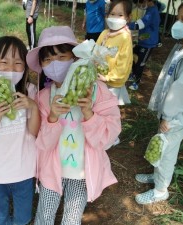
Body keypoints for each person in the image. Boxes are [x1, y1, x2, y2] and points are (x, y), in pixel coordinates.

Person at [26, 26, 121, 225]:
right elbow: (42, 142)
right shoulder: (43, 97)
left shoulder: (97, 91)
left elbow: (109, 135)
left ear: (75, 59)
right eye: (48, 59)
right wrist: (52, 116)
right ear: (42, 65)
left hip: (81, 172)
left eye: (62, 57)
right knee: (44, 215)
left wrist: (89, 114)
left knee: (72, 218)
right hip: (52, 169)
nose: (55, 64)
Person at [135, 0, 183, 205]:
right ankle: (159, 175)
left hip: (177, 115)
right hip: (171, 113)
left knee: (167, 151)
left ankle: (161, 190)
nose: (177, 23)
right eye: (178, 18)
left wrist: (169, 117)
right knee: (163, 146)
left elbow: (181, 92)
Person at [0, 36, 40, 225]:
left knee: (23, 218)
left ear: (25, 67)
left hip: (24, 170)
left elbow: (34, 132)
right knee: (1, 216)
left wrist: (33, 107)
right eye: (3, 63)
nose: (11, 69)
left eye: (18, 63)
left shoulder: (30, 91)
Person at [96, 0, 133, 105]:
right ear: (107, 15)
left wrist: (108, 78)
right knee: (97, 104)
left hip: (112, 84)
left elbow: (124, 64)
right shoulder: (104, 33)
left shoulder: (125, 37)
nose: (115, 18)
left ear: (128, 18)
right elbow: (95, 51)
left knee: (107, 107)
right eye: (112, 14)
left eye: (120, 15)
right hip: (98, 78)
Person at [127, 0, 160, 91]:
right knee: (131, 55)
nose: (140, 5)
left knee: (141, 63)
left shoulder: (152, 11)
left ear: (149, 1)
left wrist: (126, 24)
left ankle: (136, 82)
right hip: (142, 40)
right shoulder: (150, 9)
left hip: (148, 43)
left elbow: (141, 24)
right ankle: (133, 75)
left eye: (142, 2)